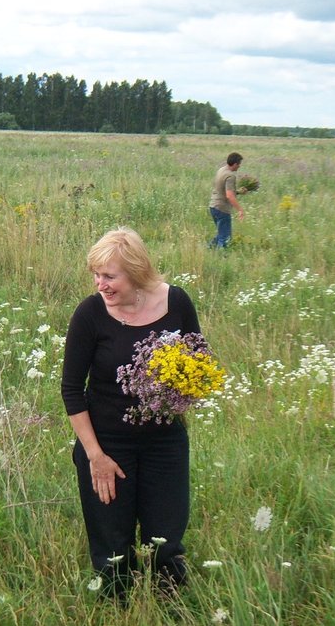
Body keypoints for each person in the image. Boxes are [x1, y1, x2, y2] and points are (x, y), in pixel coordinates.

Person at [60, 227, 202, 599]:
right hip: (107, 445)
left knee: (166, 537)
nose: (100, 284)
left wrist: (180, 382)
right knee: (113, 544)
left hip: (165, 443)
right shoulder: (90, 314)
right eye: (96, 275)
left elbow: (198, 361)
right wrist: (96, 457)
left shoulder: (177, 302)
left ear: (137, 271)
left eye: (109, 276)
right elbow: (72, 391)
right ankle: (117, 604)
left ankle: (170, 606)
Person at [207, 152, 245, 248]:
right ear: (235, 164)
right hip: (222, 208)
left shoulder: (221, 170)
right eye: (239, 164)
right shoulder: (230, 176)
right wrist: (240, 210)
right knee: (225, 237)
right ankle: (221, 258)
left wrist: (239, 192)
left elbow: (223, 190)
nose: (239, 166)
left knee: (221, 233)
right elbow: (229, 196)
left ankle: (209, 249)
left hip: (213, 206)